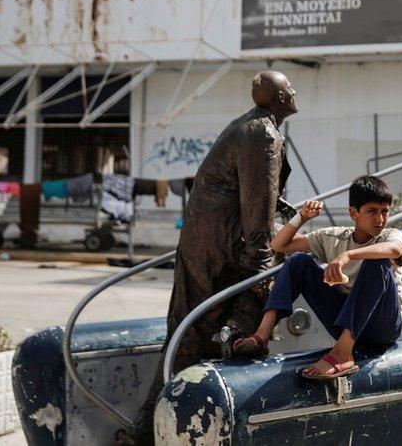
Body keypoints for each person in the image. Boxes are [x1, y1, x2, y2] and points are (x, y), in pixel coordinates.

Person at [125, 71, 297, 445]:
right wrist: (261, 267)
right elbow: (256, 211)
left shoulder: (250, 126)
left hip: (206, 238)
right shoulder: (263, 133)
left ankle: (142, 432)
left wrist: (279, 206)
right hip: (221, 242)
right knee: (223, 323)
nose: (294, 92)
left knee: (190, 332)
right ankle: (157, 431)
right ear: (278, 99)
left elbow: (243, 185)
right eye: (289, 88)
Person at [233, 175, 402, 379]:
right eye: (372, 211)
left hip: (383, 326)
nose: (379, 219)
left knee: (376, 262)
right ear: (353, 213)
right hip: (345, 323)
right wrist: (302, 217)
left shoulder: (390, 235)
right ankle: (261, 336)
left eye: (384, 211)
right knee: (298, 261)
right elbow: (278, 246)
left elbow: (395, 249)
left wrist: (348, 255)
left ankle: (343, 352)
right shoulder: (334, 237)